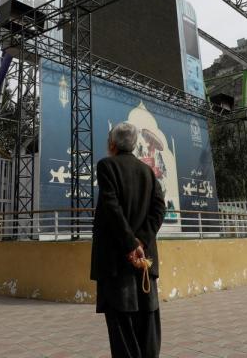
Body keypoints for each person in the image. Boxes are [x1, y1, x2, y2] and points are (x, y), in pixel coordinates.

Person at [91, 121, 167, 358]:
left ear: (112, 144)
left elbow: (111, 208)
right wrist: (141, 242)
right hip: (144, 262)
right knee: (148, 323)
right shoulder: (148, 172)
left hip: (117, 263)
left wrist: (131, 244)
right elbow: (159, 209)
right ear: (134, 145)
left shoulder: (106, 166)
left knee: (122, 327)